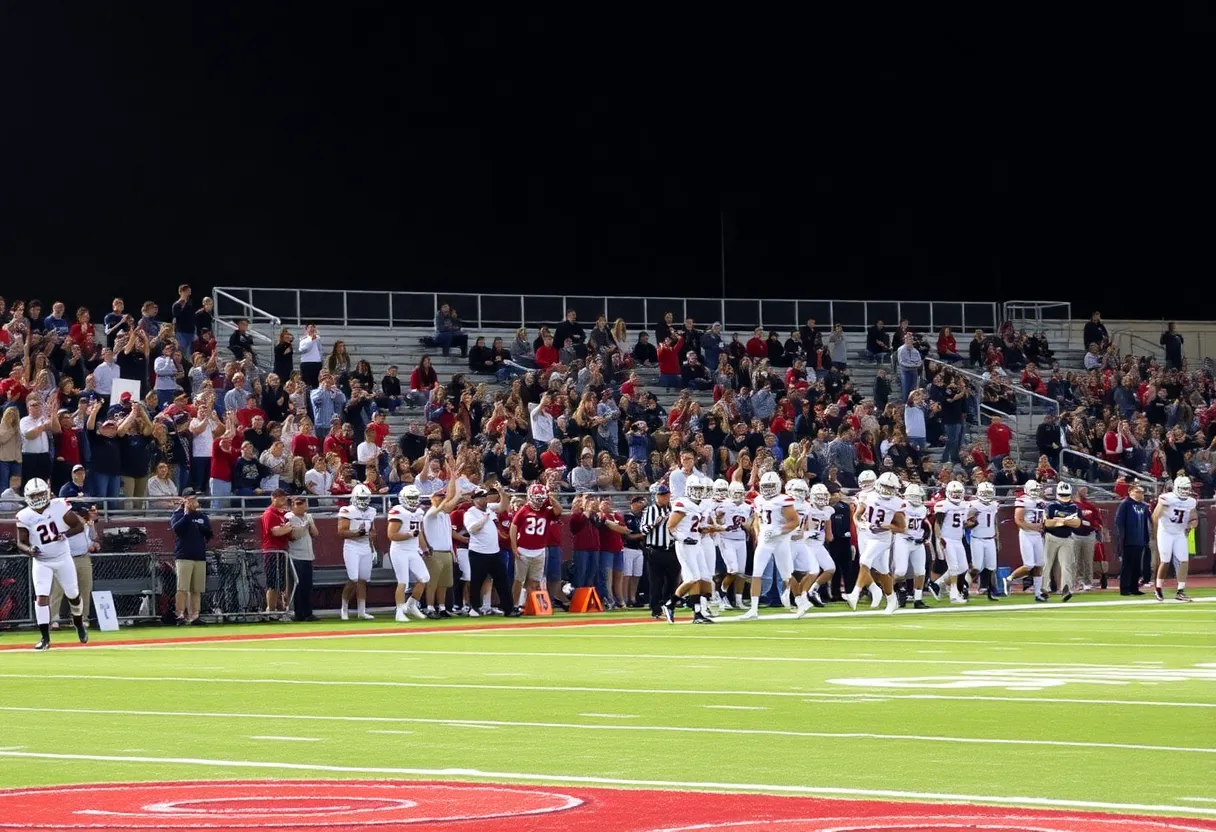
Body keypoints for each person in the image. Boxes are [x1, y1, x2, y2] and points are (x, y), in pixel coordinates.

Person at [15, 479, 89, 649]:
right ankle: (45, 638)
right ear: (27, 497)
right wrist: (29, 550)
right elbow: (20, 543)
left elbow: (78, 526)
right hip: (42, 561)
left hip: (63, 558)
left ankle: (78, 624)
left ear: (47, 492)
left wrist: (65, 534)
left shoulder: (59, 506)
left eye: (40, 494)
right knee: (41, 597)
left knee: (73, 594)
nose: (38, 498)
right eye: (34, 495)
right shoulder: (24, 515)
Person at [737, 471, 799, 621]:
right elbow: (758, 519)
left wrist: (778, 531)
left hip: (780, 541)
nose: (769, 489)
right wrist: (758, 533)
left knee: (787, 575)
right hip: (765, 540)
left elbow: (795, 522)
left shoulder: (783, 500)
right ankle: (753, 609)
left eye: (771, 486)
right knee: (756, 573)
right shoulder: (758, 500)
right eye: (766, 486)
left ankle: (801, 601)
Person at [846, 472, 905, 614]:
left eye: (890, 487)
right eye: (885, 486)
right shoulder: (869, 496)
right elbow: (857, 515)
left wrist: (886, 526)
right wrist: (859, 524)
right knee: (883, 572)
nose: (887, 490)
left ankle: (855, 593)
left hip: (882, 538)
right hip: (867, 535)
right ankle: (892, 600)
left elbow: (902, 528)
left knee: (865, 560)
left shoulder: (897, 503)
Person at [663, 476, 717, 624]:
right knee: (692, 578)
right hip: (685, 546)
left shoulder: (699, 505)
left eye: (700, 489)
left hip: (697, 544)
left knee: (703, 577)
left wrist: (704, 528)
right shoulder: (683, 503)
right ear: (688, 489)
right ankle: (671, 604)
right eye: (695, 489)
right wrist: (683, 538)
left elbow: (694, 526)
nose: (698, 492)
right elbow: (670, 526)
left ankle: (697, 611)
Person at [463, 484, 519, 617]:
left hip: (494, 551)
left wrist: (501, 492)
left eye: (485, 496)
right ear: (475, 499)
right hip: (478, 552)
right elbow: (472, 529)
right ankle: (474, 607)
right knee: (476, 581)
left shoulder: (489, 508)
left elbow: (503, 506)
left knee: (502, 581)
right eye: (481, 497)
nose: (484, 499)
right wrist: (485, 518)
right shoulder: (470, 513)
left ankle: (508, 608)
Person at [509, 482, 561, 610]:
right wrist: (514, 547)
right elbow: (513, 528)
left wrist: (550, 497)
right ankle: (514, 605)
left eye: (541, 499)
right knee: (519, 580)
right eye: (537, 498)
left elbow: (559, 510)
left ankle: (529, 606)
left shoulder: (546, 511)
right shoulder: (524, 509)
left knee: (534, 581)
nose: (539, 502)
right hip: (523, 549)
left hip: (540, 550)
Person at [170, 488, 213, 625]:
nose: (196, 502)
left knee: (197, 589)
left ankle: (195, 615)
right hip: (184, 555)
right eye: (193, 499)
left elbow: (209, 533)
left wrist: (202, 529)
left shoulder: (202, 516)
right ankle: (180, 614)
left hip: (199, 555)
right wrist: (187, 514)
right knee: (182, 588)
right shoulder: (178, 515)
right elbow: (177, 529)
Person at [387, 485, 429, 621]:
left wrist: (425, 548)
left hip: (413, 550)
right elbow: (391, 535)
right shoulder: (398, 511)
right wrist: (409, 534)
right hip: (399, 550)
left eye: (415, 497)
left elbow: (419, 532)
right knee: (403, 581)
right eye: (410, 497)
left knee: (424, 578)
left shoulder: (419, 512)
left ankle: (411, 604)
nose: (413, 500)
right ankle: (399, 611)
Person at [1152, 476, 1197, 602]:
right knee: (1165, 561)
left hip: (1179, 533)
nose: (1185, 491)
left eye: (1187, 488)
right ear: (1176, 488)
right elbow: (1155, 517)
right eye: (1183, 488)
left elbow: (1194, 518)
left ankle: (1180, 591)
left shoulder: (1191, 501)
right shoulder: (1167, 498)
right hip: (1165, 532)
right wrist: (1161, 507)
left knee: (1184, 561)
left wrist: (1192, 524)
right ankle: (1158, 588)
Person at [337, 483, 378, 620]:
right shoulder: (347, 510)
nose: (363, 501)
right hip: (352, 546)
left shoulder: (371, 511)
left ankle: (362, 611)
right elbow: (341, 532)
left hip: (365, 546)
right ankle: (344, 608)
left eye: (365, 498)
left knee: (363, 580)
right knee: (353, 578)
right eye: (360, 498)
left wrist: (372, 543)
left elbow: (373, 531)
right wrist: (357, 533)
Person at [1004, 479, 1047, 600]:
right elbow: (1018, 520)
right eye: (1033, 490)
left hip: (1037, 535)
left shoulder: (1041, 501)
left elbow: (1043, 517)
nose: (1035, 492)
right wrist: (1034, 527)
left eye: (1037, 489)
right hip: (1027, 534)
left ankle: (1038, 593)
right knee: (1029, 565)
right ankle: (1009, 579)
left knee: (1039, 565)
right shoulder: (1022, 500)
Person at [421, 488, 461, 618]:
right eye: (439, 497)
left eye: (442, 497)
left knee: (444, 583)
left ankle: (442, 607)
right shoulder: (430, 514)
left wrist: (452, 552)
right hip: (435, 552)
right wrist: (449, 498)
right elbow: (439, 509)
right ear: (432, 499)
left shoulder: (446, 515)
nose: (441, 499)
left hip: (446, 551)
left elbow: (448, 535)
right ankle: (430, 607)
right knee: (432, 583)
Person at [1043, 481, 1081, 602]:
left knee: (1067, 565)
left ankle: (1066, 589)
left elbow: (1077, 523)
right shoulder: (1051, 506)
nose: (1064, 497)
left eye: (1066, 495)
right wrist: (1067, 520)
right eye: (1062, 495)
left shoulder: (1074, 507)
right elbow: (1047, 523)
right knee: (1046, 564)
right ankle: (1043, 589)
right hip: (1051, 537)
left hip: (1067, 538)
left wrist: (1060, 520)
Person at [717, 481, 752, 609]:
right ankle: (721, 593)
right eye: (735, 493)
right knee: (733, 570)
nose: (737, 495)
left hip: (741, 540)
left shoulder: (747, 507)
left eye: (739, 493)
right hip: (727, 539)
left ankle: (739, 601)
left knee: (741, 573)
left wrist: (747, 526)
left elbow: (749, 525)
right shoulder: (723, 505)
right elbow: (717, 522)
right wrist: (719, 519)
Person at [259, 489, 295, 615]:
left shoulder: (284, 514)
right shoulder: (269, 513)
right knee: (272, 583)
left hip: (283, 550)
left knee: (284, 582)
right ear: (273, 498)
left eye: (284, 497)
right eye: (279, 497)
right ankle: (270, 609)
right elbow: (276, 531)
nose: (283, 499)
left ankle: (284, 608)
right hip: (272, 551)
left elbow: (288, 532)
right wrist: (287, 528)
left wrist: (286, 528)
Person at [894, 483, 929, 608]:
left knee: (920, 571)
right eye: (914, 496)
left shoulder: (923, 509)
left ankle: (918, 599)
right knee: (900, 571)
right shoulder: (902, 505)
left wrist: (925, 535)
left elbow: (923, 524)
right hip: (903, 539)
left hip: (917, 542)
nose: (916, 499)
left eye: (918, 496)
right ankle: (895, 590)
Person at [286, 495, 319, 621]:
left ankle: (308, 612)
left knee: (307, 586)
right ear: (292, 506)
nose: (302, 506)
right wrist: (305, 525)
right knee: (298, 586)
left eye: (303, 504)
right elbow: (294, 536)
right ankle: (298, 613)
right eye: (298, 504)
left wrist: (310, 523)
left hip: (308, 555)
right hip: (296, 556)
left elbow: (315, 534)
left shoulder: (307, 516)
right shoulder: (289, 517)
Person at [1114, 483, 1151, 596]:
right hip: (1128, 540)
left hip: (1140, 540)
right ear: (1130, 492)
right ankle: (1124, 588)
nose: (1140, 494)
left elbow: (1147, 523)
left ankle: (1134, 588)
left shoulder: (1144, 506)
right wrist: (1122, 538)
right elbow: (1119, 522)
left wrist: (1146, 539)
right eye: (1137, 492)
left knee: (1137, 566)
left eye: (1142, 492)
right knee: (1127, 565)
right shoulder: (1125, 504)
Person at [967, 481, 1001, 601]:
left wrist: (997, 537)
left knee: (991, 566)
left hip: (990, 538)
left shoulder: (994, 505)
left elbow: (994, 522)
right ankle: (964, 587)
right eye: (984, 493)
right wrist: (972, 523)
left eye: (988, 493)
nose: (986, 495)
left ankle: (990, 590)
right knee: (976, 567)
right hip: (977, 539)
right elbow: (966, 523)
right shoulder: (974, 505)